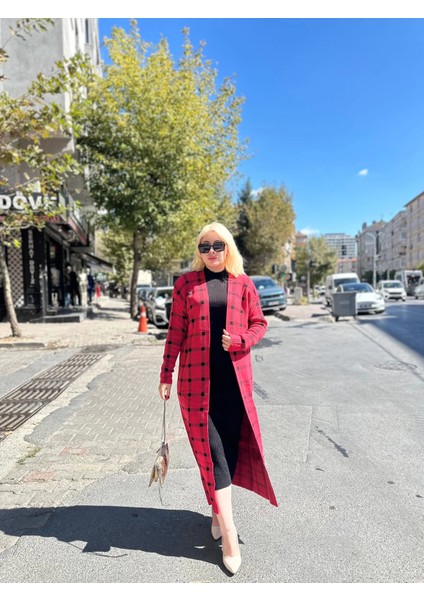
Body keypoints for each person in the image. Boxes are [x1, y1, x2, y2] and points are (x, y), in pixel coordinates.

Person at [158, 222, 277, 575]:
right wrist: (166, 373)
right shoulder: (185, 284)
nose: (211, 252)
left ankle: (216, 511)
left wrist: (240, 340)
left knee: (228, 454)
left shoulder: (243, 284)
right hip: (196, 385)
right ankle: (229, 533)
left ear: (228, 248)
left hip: (234, 386)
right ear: (199, 251)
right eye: (205, 246)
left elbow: (260, 324)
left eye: (218, 245)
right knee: (213, 457)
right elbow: (175, 332)